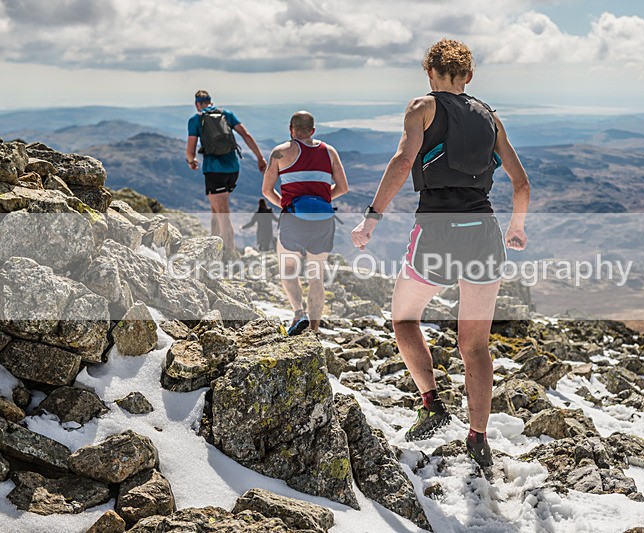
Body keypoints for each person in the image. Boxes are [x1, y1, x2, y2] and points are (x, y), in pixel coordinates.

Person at [351, 39, 530, 469]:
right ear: (469, 77)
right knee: (475, 345)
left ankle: (431, 403)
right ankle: (478, 438)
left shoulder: (422, 107)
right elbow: (520, 183)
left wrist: (371, 218)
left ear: (428, 73)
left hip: (437, 232)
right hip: (485, 233)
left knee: (404, 318)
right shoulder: (491, 117)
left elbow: (402, 161)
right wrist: (516, 228)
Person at [262, 111, 349, 335]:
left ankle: (298, 312)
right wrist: (318, 200)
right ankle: (314, 327)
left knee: (288, 269)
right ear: (312, 131)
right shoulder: (329, 152)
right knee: (316, 275)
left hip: (293, 219)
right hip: (323, 220)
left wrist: (287, 205)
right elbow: (343, 187)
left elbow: (266, 190)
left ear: (291, 129)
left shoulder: (280, 153)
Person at [186, 90, 267, 253]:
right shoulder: (227, 114)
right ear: (210, 101)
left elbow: (190, 150)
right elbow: (246, 135)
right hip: (233, 169)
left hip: (214, 171)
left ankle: (230, 254)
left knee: (223, 213)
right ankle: (212, 248)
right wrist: (260, 157)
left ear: (197, 104)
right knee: (216, 209)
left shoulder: (195, 120)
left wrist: (191, 161)